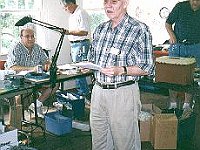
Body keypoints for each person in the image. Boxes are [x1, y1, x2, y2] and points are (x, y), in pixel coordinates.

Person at [87, 0, 154, 149]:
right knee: (99, 142)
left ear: (125, 3)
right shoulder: (100, 29)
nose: (108, 5)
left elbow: (147, 67)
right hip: (98, 92)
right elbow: (92, 59)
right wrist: (86, 66)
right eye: (105, 1)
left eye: (114, 1)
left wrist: (122, 70)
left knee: (125, 143)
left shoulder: (139, 29)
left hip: (122, 92)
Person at [5, 28, 59, 116]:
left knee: (55, 84)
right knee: (19, 97)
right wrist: (31, 69)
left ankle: (36, 104)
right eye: (27, 36)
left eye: (32, 36)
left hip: (35, 79)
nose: (30, 39)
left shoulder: (37, 47)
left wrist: (48, 64)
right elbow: (12, 67)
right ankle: (19, 120)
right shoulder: (15, 48)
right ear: (21, 37)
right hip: (19, 81)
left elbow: (46, 60)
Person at [165, 0, 200, 110]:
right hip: (177, 46)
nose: (195, 2)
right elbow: (168, 23)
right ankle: (173, 104)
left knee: (191, 77)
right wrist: (172, 36)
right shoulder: (180, 7)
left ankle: (187, 105)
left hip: (195, 47)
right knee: (173, 76)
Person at [61, 0, 91, 98]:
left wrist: (69, 32)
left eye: (66, 7)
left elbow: (84, 32)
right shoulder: (73, 15)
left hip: (81, 44)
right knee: (77, 69)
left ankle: (84, 93)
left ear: (71, 3)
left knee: (79, 69)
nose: (65, 9)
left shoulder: (81, 13)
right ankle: (82, 92)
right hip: (74, 45)